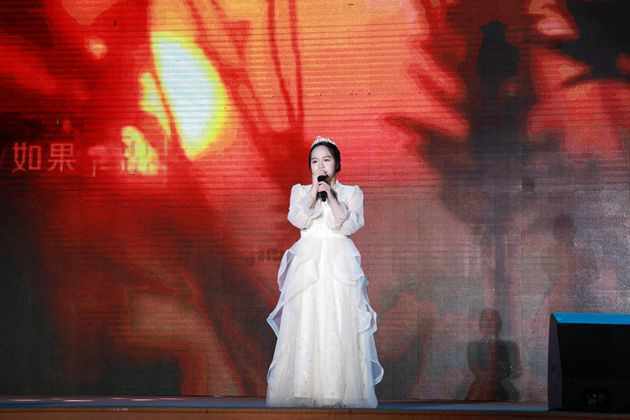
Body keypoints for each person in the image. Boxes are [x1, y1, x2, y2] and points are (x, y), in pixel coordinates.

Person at [266, 136, 383, 408]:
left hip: (339, 263)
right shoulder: (299, 192)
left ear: (337, 164)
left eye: (326, 160)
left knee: (338, 319)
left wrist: (330, 195)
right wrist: (313, 195)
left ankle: (337, 390)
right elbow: (298, 219)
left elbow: (348, 224)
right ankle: (304, 388)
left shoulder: (352, 193)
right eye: (315, 161)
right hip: (308, 264)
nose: (320, 166)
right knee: (307, 319)